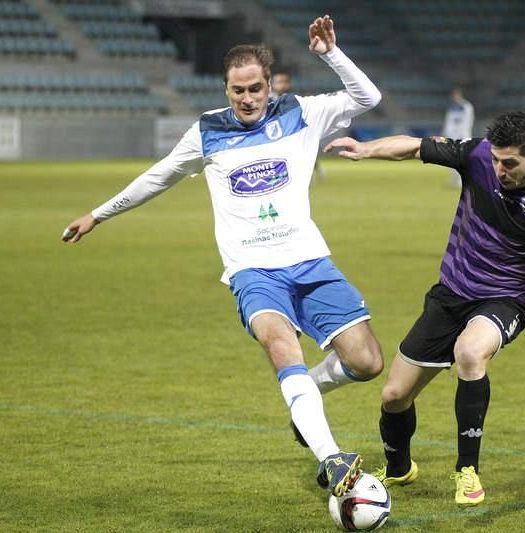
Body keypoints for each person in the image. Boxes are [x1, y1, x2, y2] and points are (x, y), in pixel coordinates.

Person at [62, 16, 383, 498]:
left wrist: (329, 54)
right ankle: (331, 458)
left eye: (255, 88)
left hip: (311, 261)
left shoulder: (301, 111)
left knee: (367, 361)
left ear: (270, 85)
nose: (247, 98)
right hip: (252, 270)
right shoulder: (207, 130)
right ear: (226, 89)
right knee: (281, 347)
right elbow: (158, 176)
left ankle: (308, 398)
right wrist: (100, 214)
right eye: (238, 91)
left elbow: (368, 99)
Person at [324, 111, 525, 506]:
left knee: (469, 351)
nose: (499, 169)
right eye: (497, 160)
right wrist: (367, 149)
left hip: (506, 299)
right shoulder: (478, 155)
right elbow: (415, 147)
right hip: (451, 294)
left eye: (510, 163)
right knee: (394, 396)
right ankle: (399, 468)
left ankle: (468, 471)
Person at [271, 71, 328, 183]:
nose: (283, 85)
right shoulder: (265, 100)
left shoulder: (294, 99)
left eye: (285, 82)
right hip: (275, 135)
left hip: (293, 132)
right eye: (279, 82)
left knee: (306, 151)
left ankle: (311, 174)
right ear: (272, 84)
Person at [442, 87, 475, 188]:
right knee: (451, 159)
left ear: (460, 95)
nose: (455, 97)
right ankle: (454, 180)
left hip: (462, 137)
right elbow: (448, 123)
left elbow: (468, 122)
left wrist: (463, 135)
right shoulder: (451, 108)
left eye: (457, 95)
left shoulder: (467, 107)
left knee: (463, 159)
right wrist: (445, 134)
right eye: (454, 96)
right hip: (452, 138)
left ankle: (463, 180)